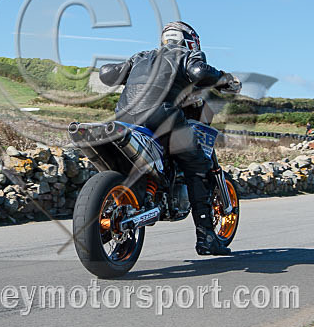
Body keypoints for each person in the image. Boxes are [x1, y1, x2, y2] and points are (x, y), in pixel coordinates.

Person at [98, 21, 241, 256]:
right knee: (198, 166)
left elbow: (107, 74)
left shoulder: (141, 57)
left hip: (124, 117)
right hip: (160, 116)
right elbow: (199, 72)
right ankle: (207, 238)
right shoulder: (187, 54)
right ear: (190, 41)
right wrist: (224, 78)